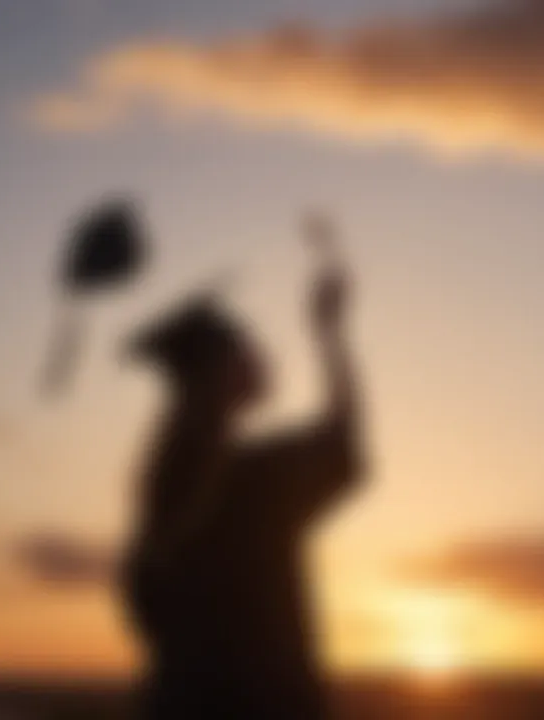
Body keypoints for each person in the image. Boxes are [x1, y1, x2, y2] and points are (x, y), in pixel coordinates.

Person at [122, 215, 366, 718]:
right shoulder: (258, 482)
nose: (263, 355)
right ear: (224, 374)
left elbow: (147, 614)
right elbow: (344, 441)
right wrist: (330, 334)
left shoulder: (160, 493)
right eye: (248, 347)